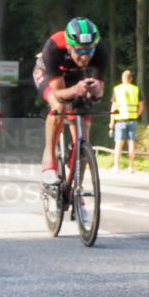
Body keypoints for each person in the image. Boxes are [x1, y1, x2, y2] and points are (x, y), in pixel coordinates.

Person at [32, 17, 108, 184]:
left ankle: (77, 193)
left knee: (84, 128)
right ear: (69, 46)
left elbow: (99, 93)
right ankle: (49, 164)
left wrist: (95, 91)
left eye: (89, 51)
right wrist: (75, 90)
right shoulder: (53, 47)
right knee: (58, 106)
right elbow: (59, 93)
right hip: (48, 72)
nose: (85, 57)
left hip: (75, 75)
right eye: (80, 51)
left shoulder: (100, 50)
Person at [110, 69, 144, 173]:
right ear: (131, 79)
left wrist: (111, 122)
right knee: (131, 144)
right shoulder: (136, 89)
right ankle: (131, 167)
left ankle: (116, 167)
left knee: (119, 144)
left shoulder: (117, 89)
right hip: (132, 120)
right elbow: (141, 106)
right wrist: (136, 115)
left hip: (120, 120)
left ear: (122, 78)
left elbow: (114, 107)